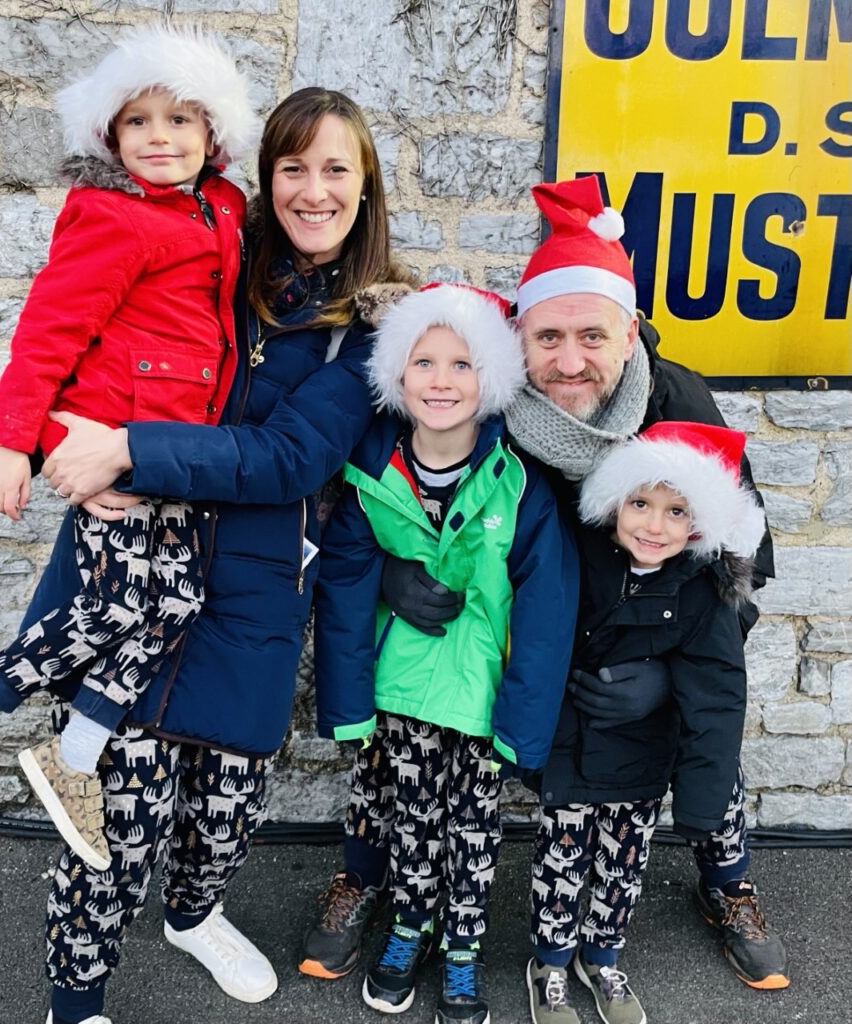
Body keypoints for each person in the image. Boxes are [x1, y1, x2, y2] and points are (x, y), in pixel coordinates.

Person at [0, 86, 413, 1024]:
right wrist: (56, 438)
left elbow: (293, 457)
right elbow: (77, 337)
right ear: (265, 177)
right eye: (292, 167)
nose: (312, 190)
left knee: (224, 809)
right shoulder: (201, 247)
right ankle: (77, 995)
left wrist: (128, 447)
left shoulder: (375, 329)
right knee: (108, 823)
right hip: (130, 571)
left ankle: (193, 913)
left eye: (336, 168)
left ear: (366, 182)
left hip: (252, 597)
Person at [302, 174, 788, 994]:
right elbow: (389, 496)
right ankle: (367, 873)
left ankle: (727, 876)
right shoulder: (484, 394)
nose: (570, 361)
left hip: (640, 636)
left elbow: (745, 568)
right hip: (514, 632)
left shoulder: (675, 404)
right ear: (519, 336)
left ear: (628, 333)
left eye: (593, 337)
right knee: (404, 739)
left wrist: (670, 670)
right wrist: (389, 575)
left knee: (698, 724)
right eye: (550, 337)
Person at [0, 25, 255, 871]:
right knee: (109, 609)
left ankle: (71, 763)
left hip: (177, 451)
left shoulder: (227, 207)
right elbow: (48, 333)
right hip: (112, 448)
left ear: (214, 135)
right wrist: (17, 444)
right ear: (111, 137)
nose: (160, 138)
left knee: (172, 606)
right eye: (139, 123)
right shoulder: (110, 215)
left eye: (180, 120)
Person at [311, 284, 579, 1024]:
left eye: (461, 365)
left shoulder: (519, 481)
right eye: (422, 362)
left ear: (488, 378)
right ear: (396, 376)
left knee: (473, 828)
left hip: (481, 695)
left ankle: (463, 945)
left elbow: (547, 606)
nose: (440, 381)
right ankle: (409, 926)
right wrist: (349, 703)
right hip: (404, 690)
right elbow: (345, 586)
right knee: (411, 818)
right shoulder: (371, 474)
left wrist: (522, 723)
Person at [525, 419, 764, 1024]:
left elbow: (717, 697)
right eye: (639, 503)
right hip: (571, 750)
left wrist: (702, 808)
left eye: (676, 511)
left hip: (641, 762)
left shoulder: (704, 594)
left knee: (621, 867)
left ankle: (601, 958)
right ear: (614, 502)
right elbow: (532, 638)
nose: (654, 526)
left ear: (700, 522)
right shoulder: (578, 557)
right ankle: (551, 963)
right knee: (561, 860)